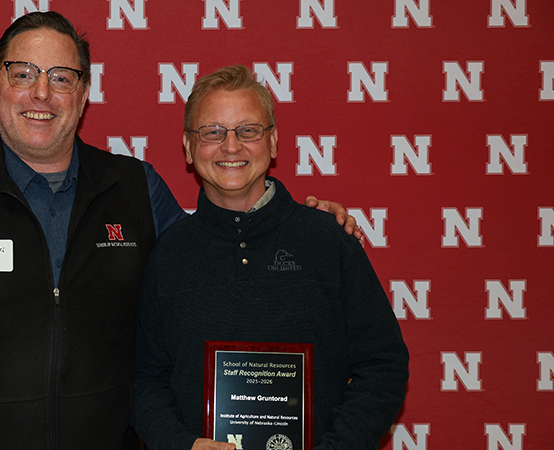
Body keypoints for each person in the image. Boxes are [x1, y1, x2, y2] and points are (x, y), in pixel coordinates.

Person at [0, 12, 360, 450]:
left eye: (62, 77)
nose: (41, 93)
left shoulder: (136, 187)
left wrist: (299, 226)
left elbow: (215, 255)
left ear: (84, 92)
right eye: (22, 73)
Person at [132, 65, 409, 450]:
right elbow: (146, 378)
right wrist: (181, 445)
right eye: (212, 132)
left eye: (248, 130)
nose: (231, 146)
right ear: (188, 147)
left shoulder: (330, 240)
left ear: (274, 142)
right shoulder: (168, 255)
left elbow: (384, 365)